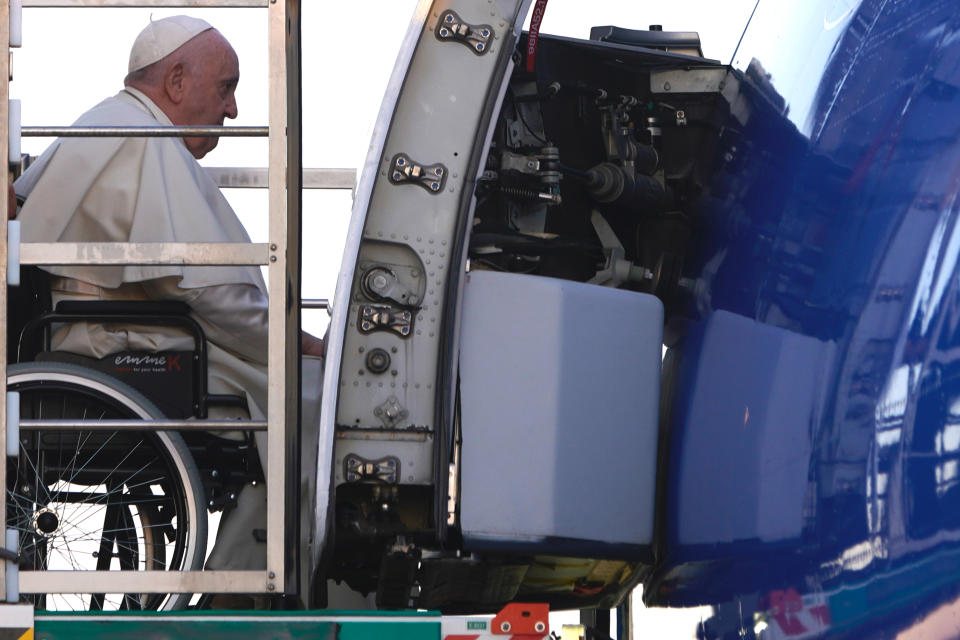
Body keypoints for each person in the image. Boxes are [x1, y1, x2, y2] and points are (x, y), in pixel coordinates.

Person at [13, 16, 324, 576]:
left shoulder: (116, 127)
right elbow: (207, 289)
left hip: (124, 335)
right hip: (123, 346)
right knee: (312, 399)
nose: (231, 111)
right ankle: (254, 579)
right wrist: (298, 342)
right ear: (176, 81)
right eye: (225, 87)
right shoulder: (141, 139)